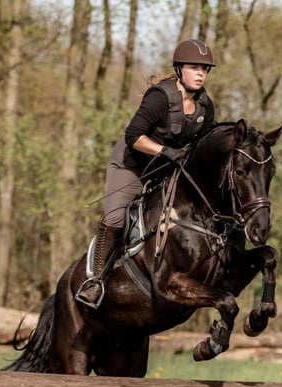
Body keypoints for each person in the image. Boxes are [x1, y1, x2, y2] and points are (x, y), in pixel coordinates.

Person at [75, 39, 217, 308]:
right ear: (179, 69)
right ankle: (94, 281)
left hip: (165, 171)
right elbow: (133, 136)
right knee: (116, 217)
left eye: (205, 69)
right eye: (195, 67)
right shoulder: (160, 97)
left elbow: (206, 142)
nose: (201, 73)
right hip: (132, 166)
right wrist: (166, 152)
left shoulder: (204, 106)